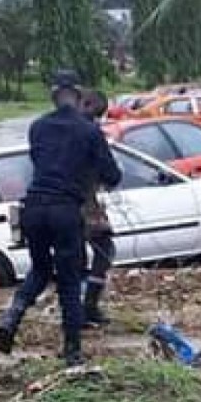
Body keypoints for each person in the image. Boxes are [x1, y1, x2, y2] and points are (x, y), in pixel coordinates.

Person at [0, 71, 122, 366]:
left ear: (52, 96)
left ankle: (11, 317)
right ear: (78, 96)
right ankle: (73, 352)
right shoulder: (88, 131)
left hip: (34, 208)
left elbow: (43, 164)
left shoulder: (37, 128)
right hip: (65, 211)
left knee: (39, 270)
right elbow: (112, 175)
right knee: (68, 280)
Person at [79, 87, 117, 327]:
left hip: (51, 202)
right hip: (83, 202)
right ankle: (88, 307)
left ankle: (74, 312)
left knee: (73, 257)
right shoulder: (90, 131)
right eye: (96, 114)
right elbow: (111, 173)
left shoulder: (51, 127)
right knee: (104, 249)